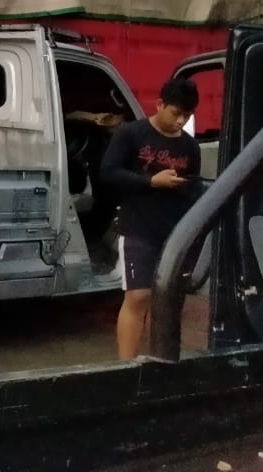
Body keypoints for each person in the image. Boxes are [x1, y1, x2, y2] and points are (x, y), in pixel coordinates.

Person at [100, 77, 202, 361]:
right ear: (159, 105)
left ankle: (164, 361)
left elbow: (192, 189)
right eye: (175, 113)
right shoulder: (131, 134)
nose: (181, 121)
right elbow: (108, 173)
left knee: (169, 301)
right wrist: (151, 182)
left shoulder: (191, 148)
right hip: (138, 228)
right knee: (138, 296)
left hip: (175, 234)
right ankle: (126, 366)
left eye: (187, 115)